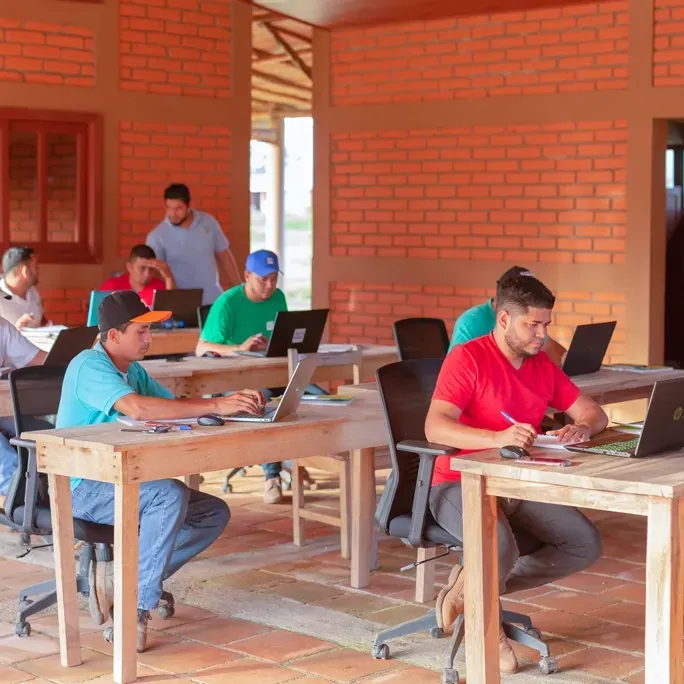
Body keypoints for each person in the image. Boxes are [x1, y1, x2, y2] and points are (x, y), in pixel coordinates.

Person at [56, 291, 265, 652]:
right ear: (114, 336)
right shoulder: (88, 365)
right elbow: (136, 409)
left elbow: (171, 407)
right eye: (142, 332)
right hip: (83, 486)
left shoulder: (132, 369)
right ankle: (133, 609)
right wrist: (216, 403)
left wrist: (233, 404)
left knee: (213, 513)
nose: (150, 339)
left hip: (123, 477)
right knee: (168, 495)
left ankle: (125, 582)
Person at [424, 274, 607, 674]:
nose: (543, 335)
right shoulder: (468, 358)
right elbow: (435, 427)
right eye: (533, 325)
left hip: (517, 480)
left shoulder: (541, 365)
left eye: (546, 324)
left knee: (583, 543)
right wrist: (498, 435)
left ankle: (471, 590)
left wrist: (582, 428)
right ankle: (485, 624)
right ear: (504, 319)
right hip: (456, 482)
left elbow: (595, 412)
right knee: (498, 547)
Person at [196, 249, 288, 504]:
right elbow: (201, 348)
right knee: (263, 400)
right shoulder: (227, 303)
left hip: (272, 372)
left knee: (314, 395)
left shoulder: (278, 298)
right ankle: (273, 476)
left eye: (273, 278)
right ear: (247, 275)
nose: (270, 285)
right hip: (234, 381)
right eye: (263, 279)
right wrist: (240, 348)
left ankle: (326, 459)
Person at [449, 266, 567, 366]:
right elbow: (457, 367)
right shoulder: (472, 321)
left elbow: (555, 353)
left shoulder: (534, 326)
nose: (541, 333)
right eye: (533, 324)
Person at [146, 183, 241, 305]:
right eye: (169, 208)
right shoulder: (156, 236)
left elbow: (225, 256)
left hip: (213, 300)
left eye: (178, 208)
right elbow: (154, 275)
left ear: (188, 206)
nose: (172, 214)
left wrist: (239, 288)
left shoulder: (209, 222)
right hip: (181, 304)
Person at [0, 319, 47, 494]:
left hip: (5, 407)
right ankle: (16, 501)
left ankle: (51, 494)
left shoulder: (2, 327)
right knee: (4, 455)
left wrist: (79, 360)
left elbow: (37, 358)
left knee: (44, 434)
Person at [100, 244, 175, 308]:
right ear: (130, 267)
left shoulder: (160, 288)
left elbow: (172, 315)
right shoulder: (112, 286)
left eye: (151, 269)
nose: (147, 273)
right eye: (142, 268)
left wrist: (169, 278)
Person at [0, 247, 43, 330]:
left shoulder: (33, 292)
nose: (38, 269)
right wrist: (16, 332)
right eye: (35, 266)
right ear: (25, 271)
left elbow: (41, 323)